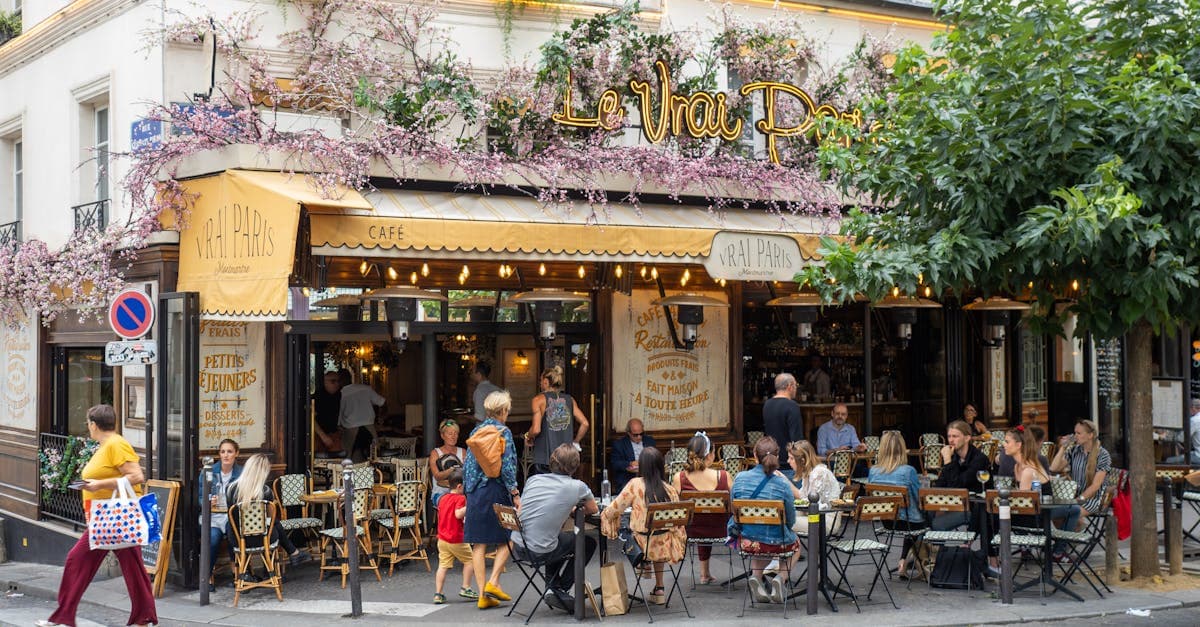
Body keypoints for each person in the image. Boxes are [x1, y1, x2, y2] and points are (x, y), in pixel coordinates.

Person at [38, 405, 157, 627]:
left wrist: (98, 484)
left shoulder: (116, 444)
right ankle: (144, 617)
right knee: (133, 567)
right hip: (109, 519)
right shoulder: (106, 445)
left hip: (114, 519)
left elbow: (136, 476)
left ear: (94, 424)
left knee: (77, 560)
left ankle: (64, 616)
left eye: (88, 423)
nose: (88, 427)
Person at [512, 443, 598, 613]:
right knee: (588, 543)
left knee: (557, 538)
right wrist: (573, 508)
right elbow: (593, 509)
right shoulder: (577, 486)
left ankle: (554, 588)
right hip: (540, 550)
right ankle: (558, 589)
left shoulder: (533, 479)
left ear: (552, 462)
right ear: (575, 466)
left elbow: (523, 510)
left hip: (518, 546)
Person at [601, 447, 685, 605]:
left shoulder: (635, 484)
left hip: (642, 545)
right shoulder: (670, 489)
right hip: (666, 545)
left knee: (629, 531)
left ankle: (644, 564)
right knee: (659, 534)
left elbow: (615, 508)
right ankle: (659, 588)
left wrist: (605, 514)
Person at [464, 390, 519, 610]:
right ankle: (494, 581)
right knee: (511, 533)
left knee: (479, 543)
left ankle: (482, 595)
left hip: (476, 493)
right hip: (497, 491)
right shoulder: (503, 432)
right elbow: (507, 467)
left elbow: (468, 466)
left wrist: (469, 493)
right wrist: (515, 493)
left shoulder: (476, 431)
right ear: (503, 410)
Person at [727, 436, 799, 605]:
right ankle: (780, 578)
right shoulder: (782, 483)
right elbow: (791, 519)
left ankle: (756, 576)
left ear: (754, 455)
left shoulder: (739, 478)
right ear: (777, 455)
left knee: (757, 538)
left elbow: (733, 509)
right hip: (776, 540)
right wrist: (785, 529)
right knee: (795, 543)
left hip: (747, 540)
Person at [226, 454, 311, 574]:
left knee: (229, 525)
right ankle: (274, 568)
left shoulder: (230, 489)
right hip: (263, 540)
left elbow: (232, 518)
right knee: (273, 524)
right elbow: (270, 521)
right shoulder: (266, 492)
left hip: (238, 540)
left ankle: (245, 574)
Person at [670, 432, 730, 585]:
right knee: (710, 517)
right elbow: (735, 503)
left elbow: (674, 506)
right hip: (722, 530)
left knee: (700, 518)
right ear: (710, 455)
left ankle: (704, 573)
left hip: (691, 531)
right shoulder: (724, 476)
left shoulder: (679, 478)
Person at [867, 430, 928, 578]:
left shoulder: (873, 471)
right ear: (902, 448)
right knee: (927, 520)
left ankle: (903, 562)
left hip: (887, 522)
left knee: (909, 520)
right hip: (910, 523)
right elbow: (919, 499)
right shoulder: (908, 471)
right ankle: (925, 564)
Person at [527, 366, 590, 476]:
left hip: (545, 457)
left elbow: (536, 429)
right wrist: (575, 442)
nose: (540, 383)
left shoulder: (538, 400)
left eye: (540, 381)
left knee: (545, 491)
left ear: (546, 381)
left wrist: (528, 436)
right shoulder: (569, 400)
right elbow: (585, 423)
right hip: (566, 457)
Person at [199, 438, 243, 591]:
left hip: (231, 515)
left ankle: (236, 573)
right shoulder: (209, 471)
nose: (226, 455)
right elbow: (200, 497)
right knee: (213, 537)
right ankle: (207, 575)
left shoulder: (241, 473)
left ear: (236, 454)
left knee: (233, 532)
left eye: (229, 452)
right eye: (223, 451)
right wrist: (207, 501)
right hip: (212, 516)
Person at [931, 421, 992, 530]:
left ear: (967, 438)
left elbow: (958, 486)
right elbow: (940, 484)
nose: (951, 440)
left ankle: (933, 546)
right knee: (923, 516)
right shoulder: (954, 457)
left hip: (974, 509)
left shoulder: (979, 459)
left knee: (936, 524)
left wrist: (947, 461)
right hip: (952, 504)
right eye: (949, 436)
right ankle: (927, 547)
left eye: (955, 436)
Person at [1050, 419, 1112, 523]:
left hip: (1093, 499)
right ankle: (1077, 529)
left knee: (1066, 514)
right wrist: (1063, 448)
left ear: (1090, 435)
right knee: (1057, 514)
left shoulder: (1102, 455)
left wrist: (1078, 500)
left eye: (1078, 433)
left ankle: (1073, 532)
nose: (1075, 436)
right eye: (1075, 433)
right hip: (1073, 497)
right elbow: (1054, 468)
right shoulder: (1075, 450)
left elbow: (1095, 486)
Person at [432, 469, 476, 604]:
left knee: (443, 566)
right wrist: (471, 506)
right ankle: (466, 587)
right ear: (459, 486)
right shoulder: (461, 498)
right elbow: (458, 514)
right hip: (456, 538)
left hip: (442, 539)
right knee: (471, 560)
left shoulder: (442, 498)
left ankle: (438, 593)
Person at [788, 440, 842, 538]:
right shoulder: (809, 474)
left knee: (784, 521)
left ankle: (791, 550)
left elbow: (813, 504)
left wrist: (785, 483)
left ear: (803, 460)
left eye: (791, 458)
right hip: (814, 516)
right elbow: (802, 498)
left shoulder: (819, 473)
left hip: (826, 521)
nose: (788, 461)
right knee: (781, 516)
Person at [338, 369, 385, 462]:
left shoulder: (340, 395)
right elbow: (383, 403)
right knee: (373, 458)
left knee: (350, 461)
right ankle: (372, 475)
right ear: (350, 377)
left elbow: (338, 420)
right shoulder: (366, 388)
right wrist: (381, 417)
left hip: (351, 431)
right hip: (370, 429)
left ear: (340, 381)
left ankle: (357, 475)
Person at [762, 373, 803, 479]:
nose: (796, 389)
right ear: (789, 386)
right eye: (795, 385)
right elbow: (796, 438)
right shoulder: (792, 406)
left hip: (772, 459)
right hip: (788, 463)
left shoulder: (767, 404)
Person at [611, 418, 655, 494]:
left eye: (641, 434)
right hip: (628, 479)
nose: (639, 437)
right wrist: (630, 463)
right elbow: (615, 463)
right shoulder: (619, 444)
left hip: (648, 478)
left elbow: (655, 458)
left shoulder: (649, 441)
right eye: (635, 435)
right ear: (628, 433)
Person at [429, 419, 466, 506]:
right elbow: (438, 477)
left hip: (460, 492)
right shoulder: (435, 453)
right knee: (452, 503)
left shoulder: (463, 452)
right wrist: (453, 469)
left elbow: (468, 474)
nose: (453, 436)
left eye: (455, 433)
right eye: (450, 434)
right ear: (442, 435)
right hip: (440, 493)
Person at [312, 370, 343, 455]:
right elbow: (310, 418)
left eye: (338, 381)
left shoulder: (340, 396)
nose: (336, 384)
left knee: (337, 460)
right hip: (318, 436)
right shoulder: (317, 397)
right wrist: (323, 436)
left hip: (334, 435)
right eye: (333, 381)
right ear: (325, 382)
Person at [1166, 399, 1200, 465]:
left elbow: (1182, 438)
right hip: (1197, 453)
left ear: (1193, 408)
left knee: (1168, 460)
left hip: (1198, 456)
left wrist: (1168, 435)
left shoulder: (1194, 420)